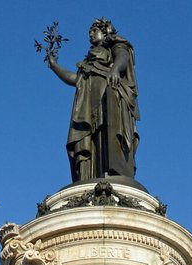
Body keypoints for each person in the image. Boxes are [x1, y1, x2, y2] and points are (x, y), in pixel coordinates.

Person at [45, 18, 140, 183]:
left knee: (108, 137)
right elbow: (76, 79)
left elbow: (123, 57)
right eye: (89, 31)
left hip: (110, 101)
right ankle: (89, 178)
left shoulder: (115, 45)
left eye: (93, 30)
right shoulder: (88, 62)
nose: (90, 34)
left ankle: (114, 173)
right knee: (90, 141)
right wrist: (55, 66)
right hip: (87, 106)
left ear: (104, 32)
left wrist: (115, 70)